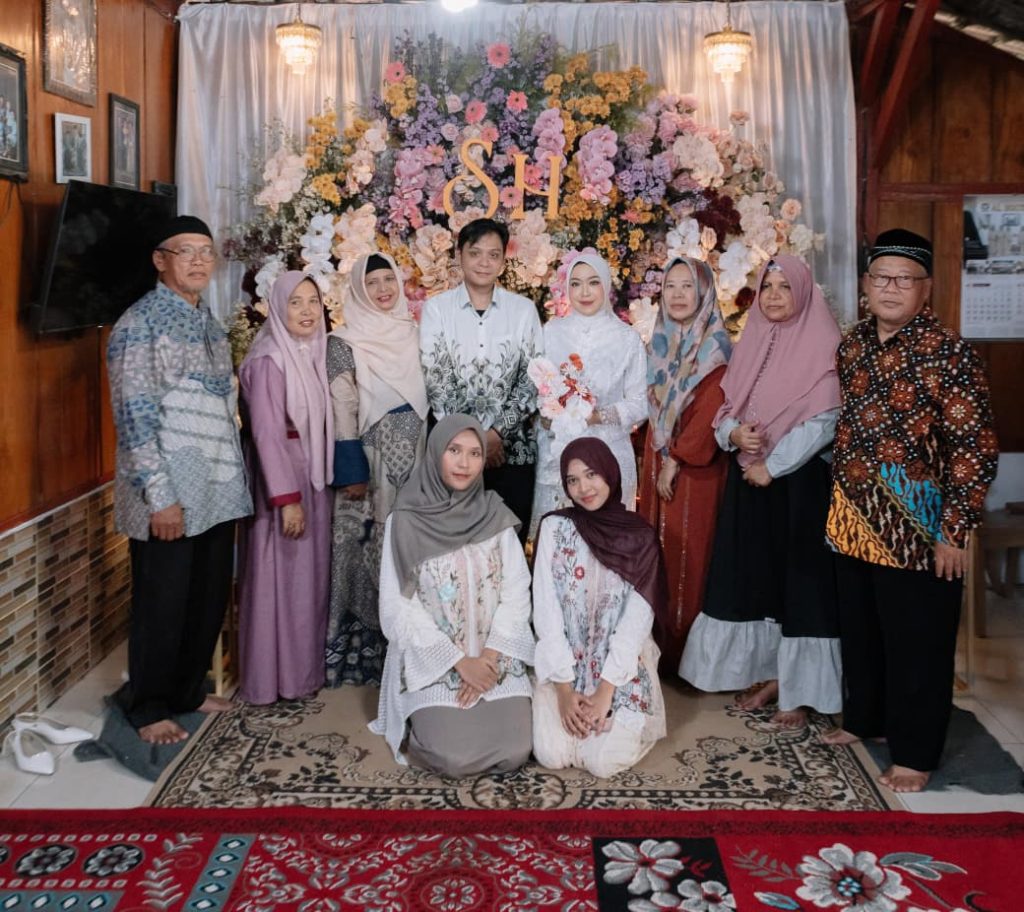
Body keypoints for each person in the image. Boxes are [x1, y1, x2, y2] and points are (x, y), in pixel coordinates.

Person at [822, 229, 999, 793]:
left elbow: (973, 448)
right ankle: (865, 719)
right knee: (862, 631)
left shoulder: (949, 353)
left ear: (926, 288)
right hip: (854, 515)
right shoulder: (853, 344)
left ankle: (915, 753)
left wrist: (955, 530)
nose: (891, 288)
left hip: (920, 525)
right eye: (881, 277)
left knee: (917, 642)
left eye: (904, 278)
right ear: (865, 284)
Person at [679, 255, 842, 729]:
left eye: (784, 287)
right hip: (750, 481)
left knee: (800, 585)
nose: (773, 296)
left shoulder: (824, 344)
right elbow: (727, 406)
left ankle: (801, 692)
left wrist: (773, 464)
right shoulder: (751, 339)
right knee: (757, 578)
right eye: (767, 286)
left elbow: (825, 418)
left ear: (803, 293)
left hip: (799, 484)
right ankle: (771, 675)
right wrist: (733, 434)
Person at [107, 216, 252, 745]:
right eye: (185, 251)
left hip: (214, 491)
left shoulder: (209, 321)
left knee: (205, 599)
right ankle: (148, 706)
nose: (198, 261)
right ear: (159, 260)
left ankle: (187, 691)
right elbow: (134, 417)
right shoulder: (139, 325)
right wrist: (160, 499)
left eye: (206, 252)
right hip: (168, 495)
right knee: (162, 603)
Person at [370, 414, 535, 777]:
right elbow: (398, 607)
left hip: (494, 657)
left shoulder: (495, 514)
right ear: (435, 453)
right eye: (454, 450)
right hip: (436, 661)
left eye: (475, 453)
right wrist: (460, 663)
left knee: (516, 751)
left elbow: (516, 592)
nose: (464, 463)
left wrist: (488, 658)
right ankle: (420, 725)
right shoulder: (405, 521)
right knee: (453, 757)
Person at [532, 438, 667, 778]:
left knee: (602, 762)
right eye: (573, 480)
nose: (584, 488)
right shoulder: (554, 527)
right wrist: (564, 690)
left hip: (619, 665)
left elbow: (637, 622)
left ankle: (624, 711)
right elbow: (546, 611)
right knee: (552, 754)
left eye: (591, 474)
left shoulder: (640, 537)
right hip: (565, 664)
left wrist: (606, 691)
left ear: (609, 472)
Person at [326, 252, 428, 686]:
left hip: (419, 454)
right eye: (373, 283)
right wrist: (352, 469)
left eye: (389, 279)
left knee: (414, 545)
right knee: (370, 546)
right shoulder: (343, 341)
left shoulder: (414, 332)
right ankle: (367, 653)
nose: (383, 289)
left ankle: (417, 648)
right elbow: (342, 406)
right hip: (372, 458)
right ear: (358, 290)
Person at [237, 271, 334, 705]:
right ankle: (271, 679)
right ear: (277, 309)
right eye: (295, 302)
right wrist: (288, 500)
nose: (307, 311)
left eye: (313, 301)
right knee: (280, 581)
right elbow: (267, 434)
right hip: (283, 488)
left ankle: (301, 675)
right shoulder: (269, 359)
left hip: (311, 479)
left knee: (306, 585)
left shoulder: (311, 353)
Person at [419, 218, 542, 539]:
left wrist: (497, 434)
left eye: (493, 254)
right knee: (453, 545)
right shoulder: (437, 310)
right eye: (475, 253)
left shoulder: (524, 310)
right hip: (454, 450)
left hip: (512, 450)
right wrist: (474, 441)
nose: (484, 262)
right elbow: (437, 379)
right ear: (459, 255)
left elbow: (532, 379)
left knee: (509, 543)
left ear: (503, 261)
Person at [638, 256, 732, 672]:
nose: (677, 295)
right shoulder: (657, 344)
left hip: (693, 471)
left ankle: (686, 658)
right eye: (670, 286)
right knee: (655, 551)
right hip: (656, 463)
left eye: (687, 286)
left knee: (689, 555)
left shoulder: (716, 348)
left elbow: (712, 410)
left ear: (704, 293)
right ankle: (655, 649)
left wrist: (676, 458)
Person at [531, 253, 647, 537]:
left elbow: (641, 403)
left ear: (605, 285)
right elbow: (535, 386)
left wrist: (597, 416)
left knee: (607, 541)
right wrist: (546, 411)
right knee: (558, 540)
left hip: (608, 452)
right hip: (557, 450)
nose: (584, 292)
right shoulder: (550, 332)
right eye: (576, 284)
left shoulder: (627, 338)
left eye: (593, 283)